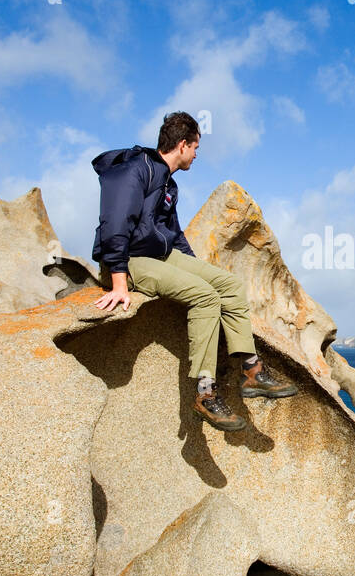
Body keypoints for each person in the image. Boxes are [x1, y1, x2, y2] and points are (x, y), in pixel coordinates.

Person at [90, 111, 298, 431]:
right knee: (205, 297)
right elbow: (114, 224)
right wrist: (119, 281)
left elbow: (173, 235)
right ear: (183, 144)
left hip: (160, 254)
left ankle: (252, 371)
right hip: (128, 260)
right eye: (196, 147)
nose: (197, 155)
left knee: (227, 284)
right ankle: (205, 393)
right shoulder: (135, 170)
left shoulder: (168, 183)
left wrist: (198, 268)